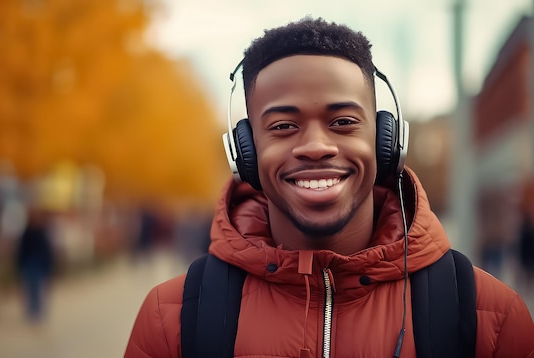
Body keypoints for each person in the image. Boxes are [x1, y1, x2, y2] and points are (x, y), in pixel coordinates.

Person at [125, 17, 534, 357]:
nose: (317, 147)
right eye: (283, 126)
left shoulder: (490, 316)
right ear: (243, 152)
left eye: (343, 122)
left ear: (386, 143)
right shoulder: (172, 318)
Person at [15, 208, 55, 323]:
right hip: (29, 264)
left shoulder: (41, 232)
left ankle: (37, 311)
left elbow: (47, 251)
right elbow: (21, 250)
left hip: (39, 264)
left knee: (37, 288)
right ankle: (32, 311)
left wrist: (49, 266)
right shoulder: (27, 232)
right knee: (31, 288)